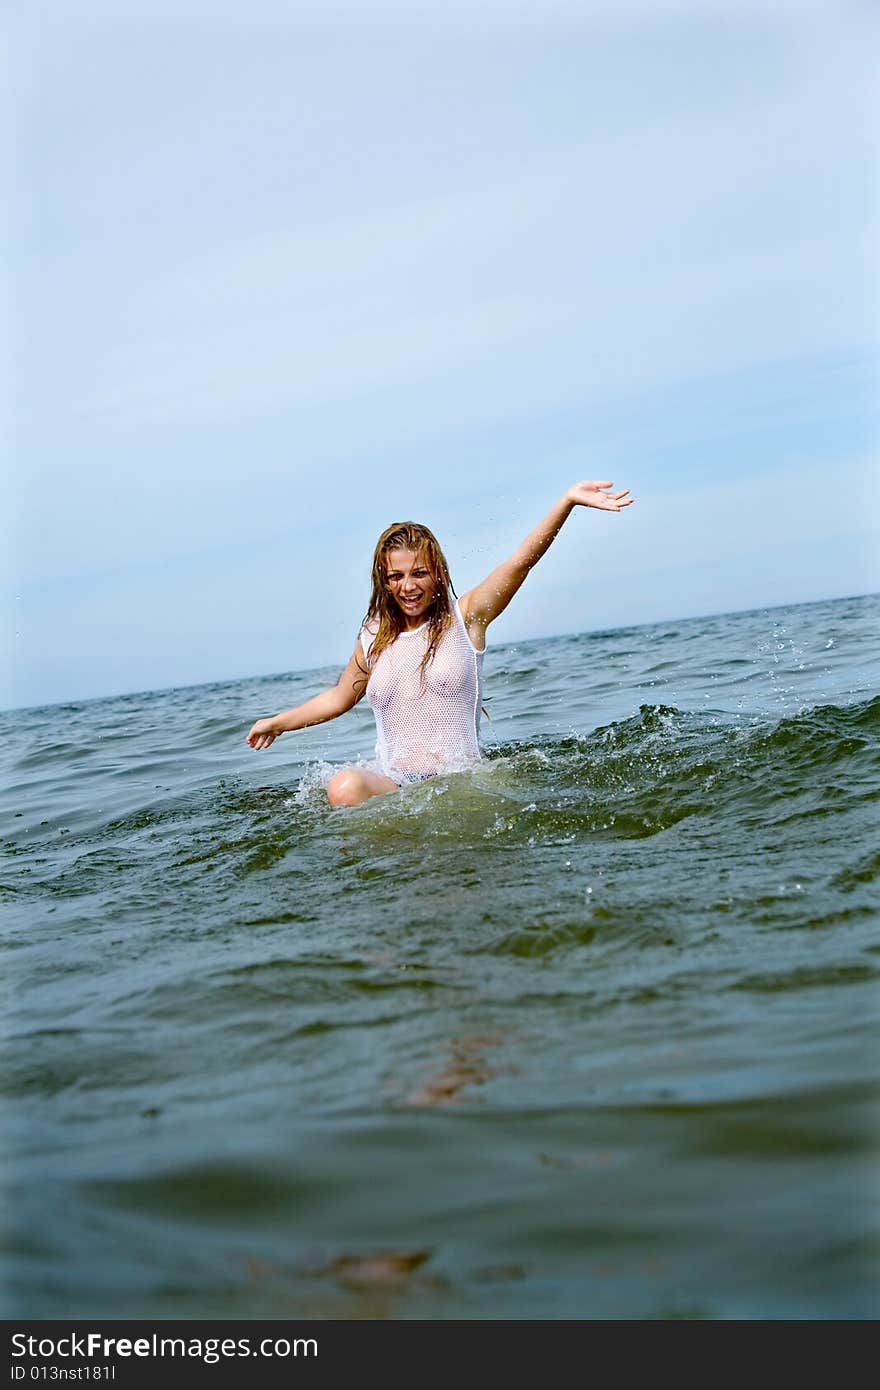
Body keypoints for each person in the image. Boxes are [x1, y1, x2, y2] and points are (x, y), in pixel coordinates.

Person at [246, 480, 634, 805]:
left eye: (419, 573)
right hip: (395, 785)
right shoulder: (373, 637)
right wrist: (280, 723)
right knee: (344, 786)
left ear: (437, 574)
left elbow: (519, 563)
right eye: (396, 576)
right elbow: (338, 697)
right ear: (383, 579)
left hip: (461, 782)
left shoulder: (467, 619)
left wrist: (566, 503)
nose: (408, 586)